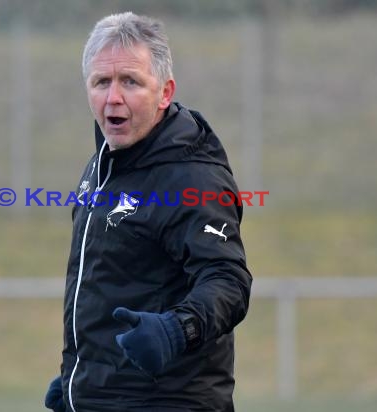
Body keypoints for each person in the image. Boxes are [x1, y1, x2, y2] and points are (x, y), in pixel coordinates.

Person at [45, 12, 253, 412]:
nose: (113, 97)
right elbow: (116, 282)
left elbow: (227, 281)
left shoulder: (191, 177)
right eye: (101, 82)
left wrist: (177, 331)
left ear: (164, 92)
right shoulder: (103, 165)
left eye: (131, 82)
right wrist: (81, 379)